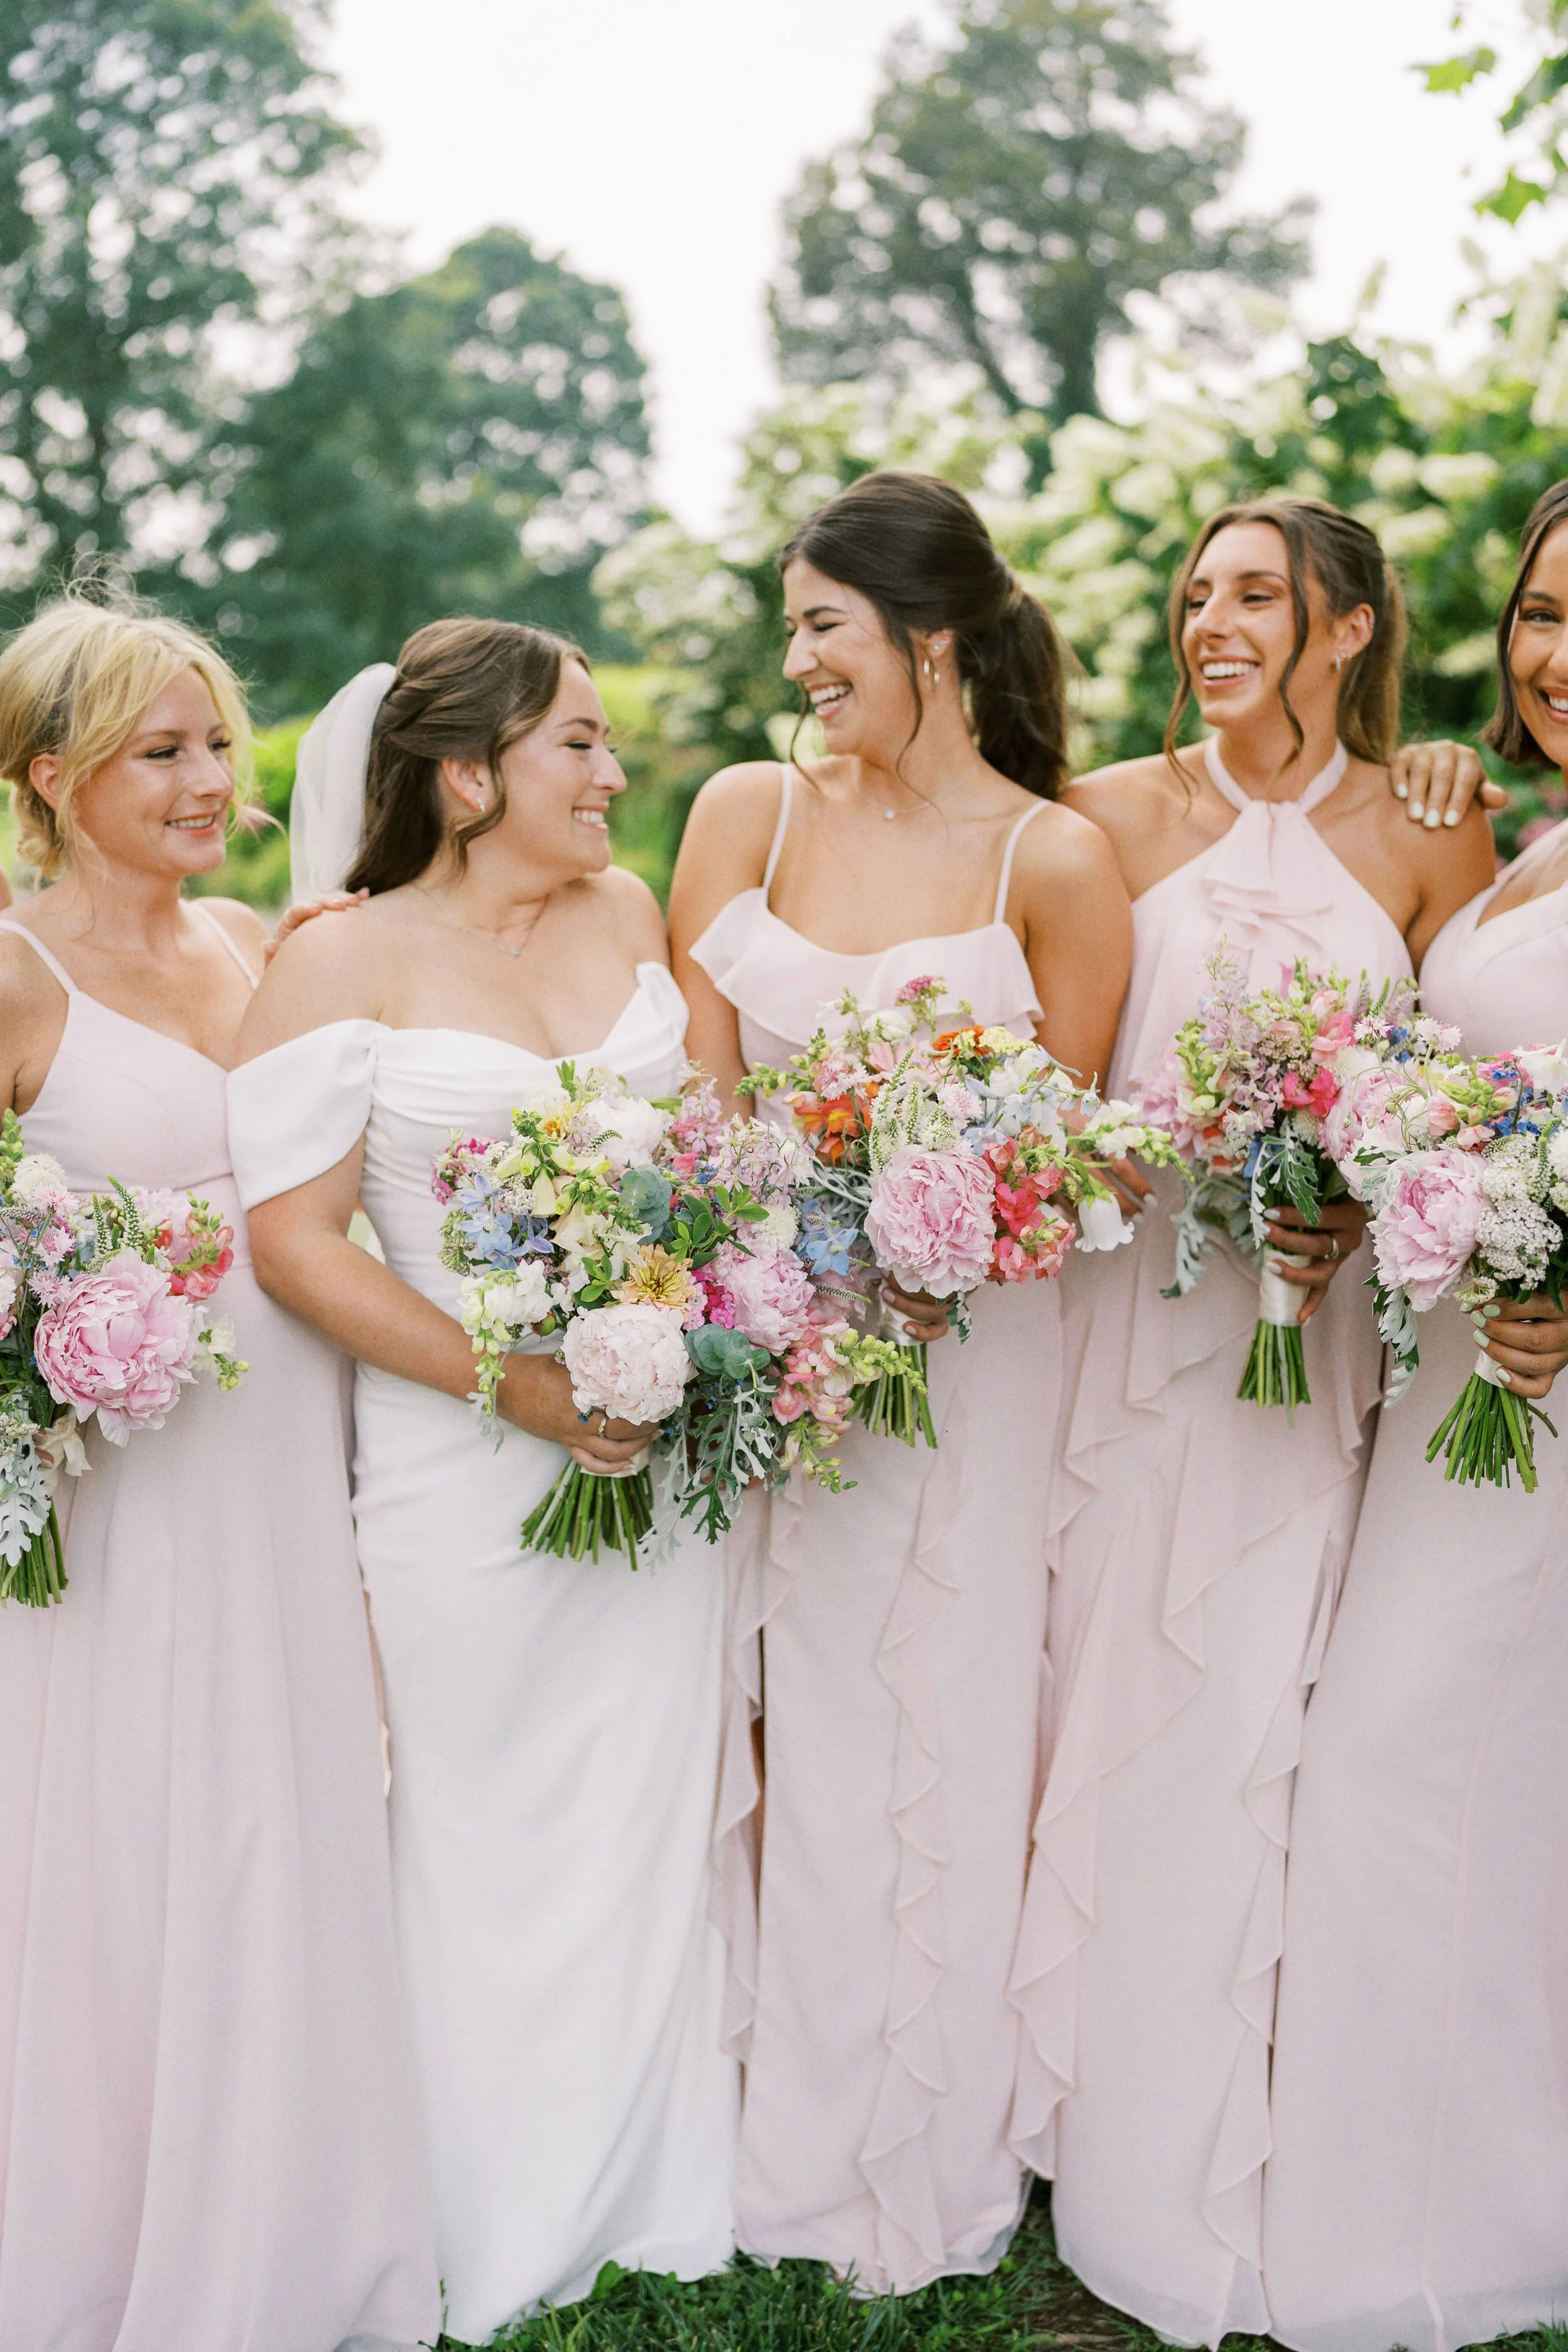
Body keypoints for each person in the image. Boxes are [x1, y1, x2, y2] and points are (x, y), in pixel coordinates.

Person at [1007, 497, 1496, 2346]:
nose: (1208, 620)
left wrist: (1362, 1197)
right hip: (1132, 1345)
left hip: (1319, 1360)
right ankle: (1078, 2115)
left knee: (1263, 1724)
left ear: (1350, 628)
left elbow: (1468, 1104)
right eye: (1192, 591)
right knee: (1108, 1694)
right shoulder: (1107, 819)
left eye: (1254, 597)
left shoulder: (1436, 836)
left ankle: (1239, 2122)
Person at [228, 618, 738, 2344]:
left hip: (652, 1441)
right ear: (467, 777)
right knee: (475, 1817)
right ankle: (472, 2203)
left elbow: (704, 1161)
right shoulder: (336, 961)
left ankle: (660, 2185)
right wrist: (512, 1384)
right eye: (578, 745)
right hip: (457, 1464)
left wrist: (678, 1321)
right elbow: (294, 1241)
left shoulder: (627, 908)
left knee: (646, 1799)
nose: (611, 773)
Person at [667, 470, 1136, 2296]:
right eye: (791, 626)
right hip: (775, 1352)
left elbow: (1076, 1156)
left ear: (927, 633)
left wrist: (947, 1233)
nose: (793, 662)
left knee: (938, 1728)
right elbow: (700, 1093)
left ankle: (931, 2151)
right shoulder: (745, 809)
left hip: (969, 1370)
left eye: (819, 624)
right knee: (783, 1726)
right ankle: (765, 2137)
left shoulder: (1056, 857)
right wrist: (775, 1277)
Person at [0, 596, 438, 2352]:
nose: (206, 781)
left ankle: (293, 2220)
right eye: (159, 752)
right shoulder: (13, 967)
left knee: (285, 1810)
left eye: (213, 746)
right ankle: (106, 2243)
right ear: (51, 777)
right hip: (124, 1495)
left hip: (290, 1471)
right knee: (122, 1842)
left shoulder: (266, 941)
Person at [1263, 482, 1568, 2352]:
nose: (1556, 656)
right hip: (1463, 1374)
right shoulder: (1522, 847)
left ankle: (1447, 2241)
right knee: (1455, 1786)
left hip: (1539, 1381)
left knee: (1406, 1773)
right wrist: (1350, 1179)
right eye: (1541, 614)